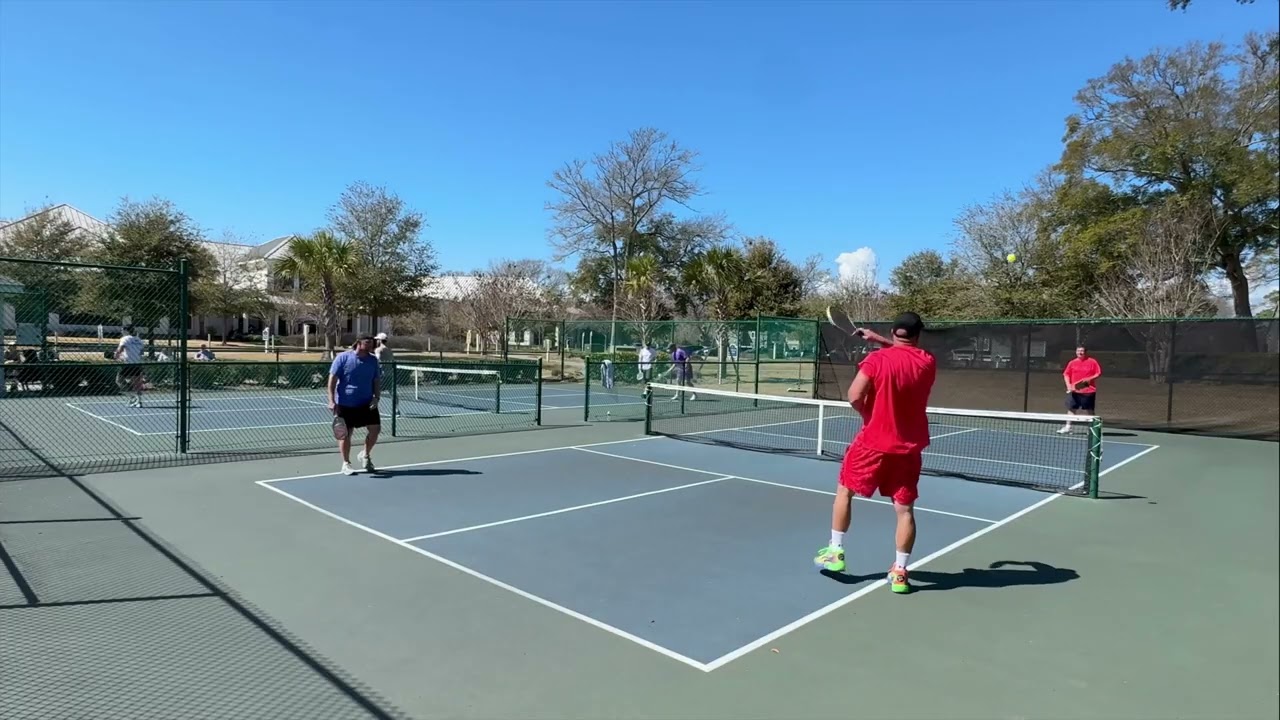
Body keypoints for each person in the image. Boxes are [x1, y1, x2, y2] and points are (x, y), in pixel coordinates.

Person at [814, 312, 937, 595]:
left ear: (894, 331)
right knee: (905, 511)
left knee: (844, 491)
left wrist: (870, 414)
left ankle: (835, 552)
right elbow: (906, 354)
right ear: (918, 335)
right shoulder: (928, 362)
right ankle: (900, 572)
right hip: (908, 449)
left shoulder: (876, 361)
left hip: (872, 443)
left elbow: (854, 396)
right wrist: (878, 340)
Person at [327, 335, 382, 475]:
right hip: (345, 403)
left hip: (367, 403)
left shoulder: (373, 360)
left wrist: (376, 398)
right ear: (358, 342)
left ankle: (365, 455)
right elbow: (332, 380)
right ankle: (346, 463)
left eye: (372, 343)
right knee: (345, 434)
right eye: (368, 342)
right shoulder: (343, 358)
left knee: (375, 430)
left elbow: (376, 381)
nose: (371, 345)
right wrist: (331, 400)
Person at [1060, 345, 1102, 434]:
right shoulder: (1072, 363)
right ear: (1076, 352)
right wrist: (1069, 386)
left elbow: (1098, 373)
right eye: (1078, 351)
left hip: (1088, 391)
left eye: (1082, 351)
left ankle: (1091, 429)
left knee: (1089, 410)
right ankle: (1068, 427)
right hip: (1075, 391)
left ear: (1085, 352)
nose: (1080, 352)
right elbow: (1066, 374)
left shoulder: (1092, 362)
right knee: (1071, 409)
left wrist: (1089, 379)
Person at [115, 325, 146, 408]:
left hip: (127, 364)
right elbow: (141, 353)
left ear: (126, 331)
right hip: (137, 363)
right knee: (137, 383)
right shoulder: (139, 340)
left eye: (122, 330)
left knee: (119, 380)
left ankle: (132, 396)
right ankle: (139, 401)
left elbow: (119, 350)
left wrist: (116, 356)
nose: (121, 332)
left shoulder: (125, 338)